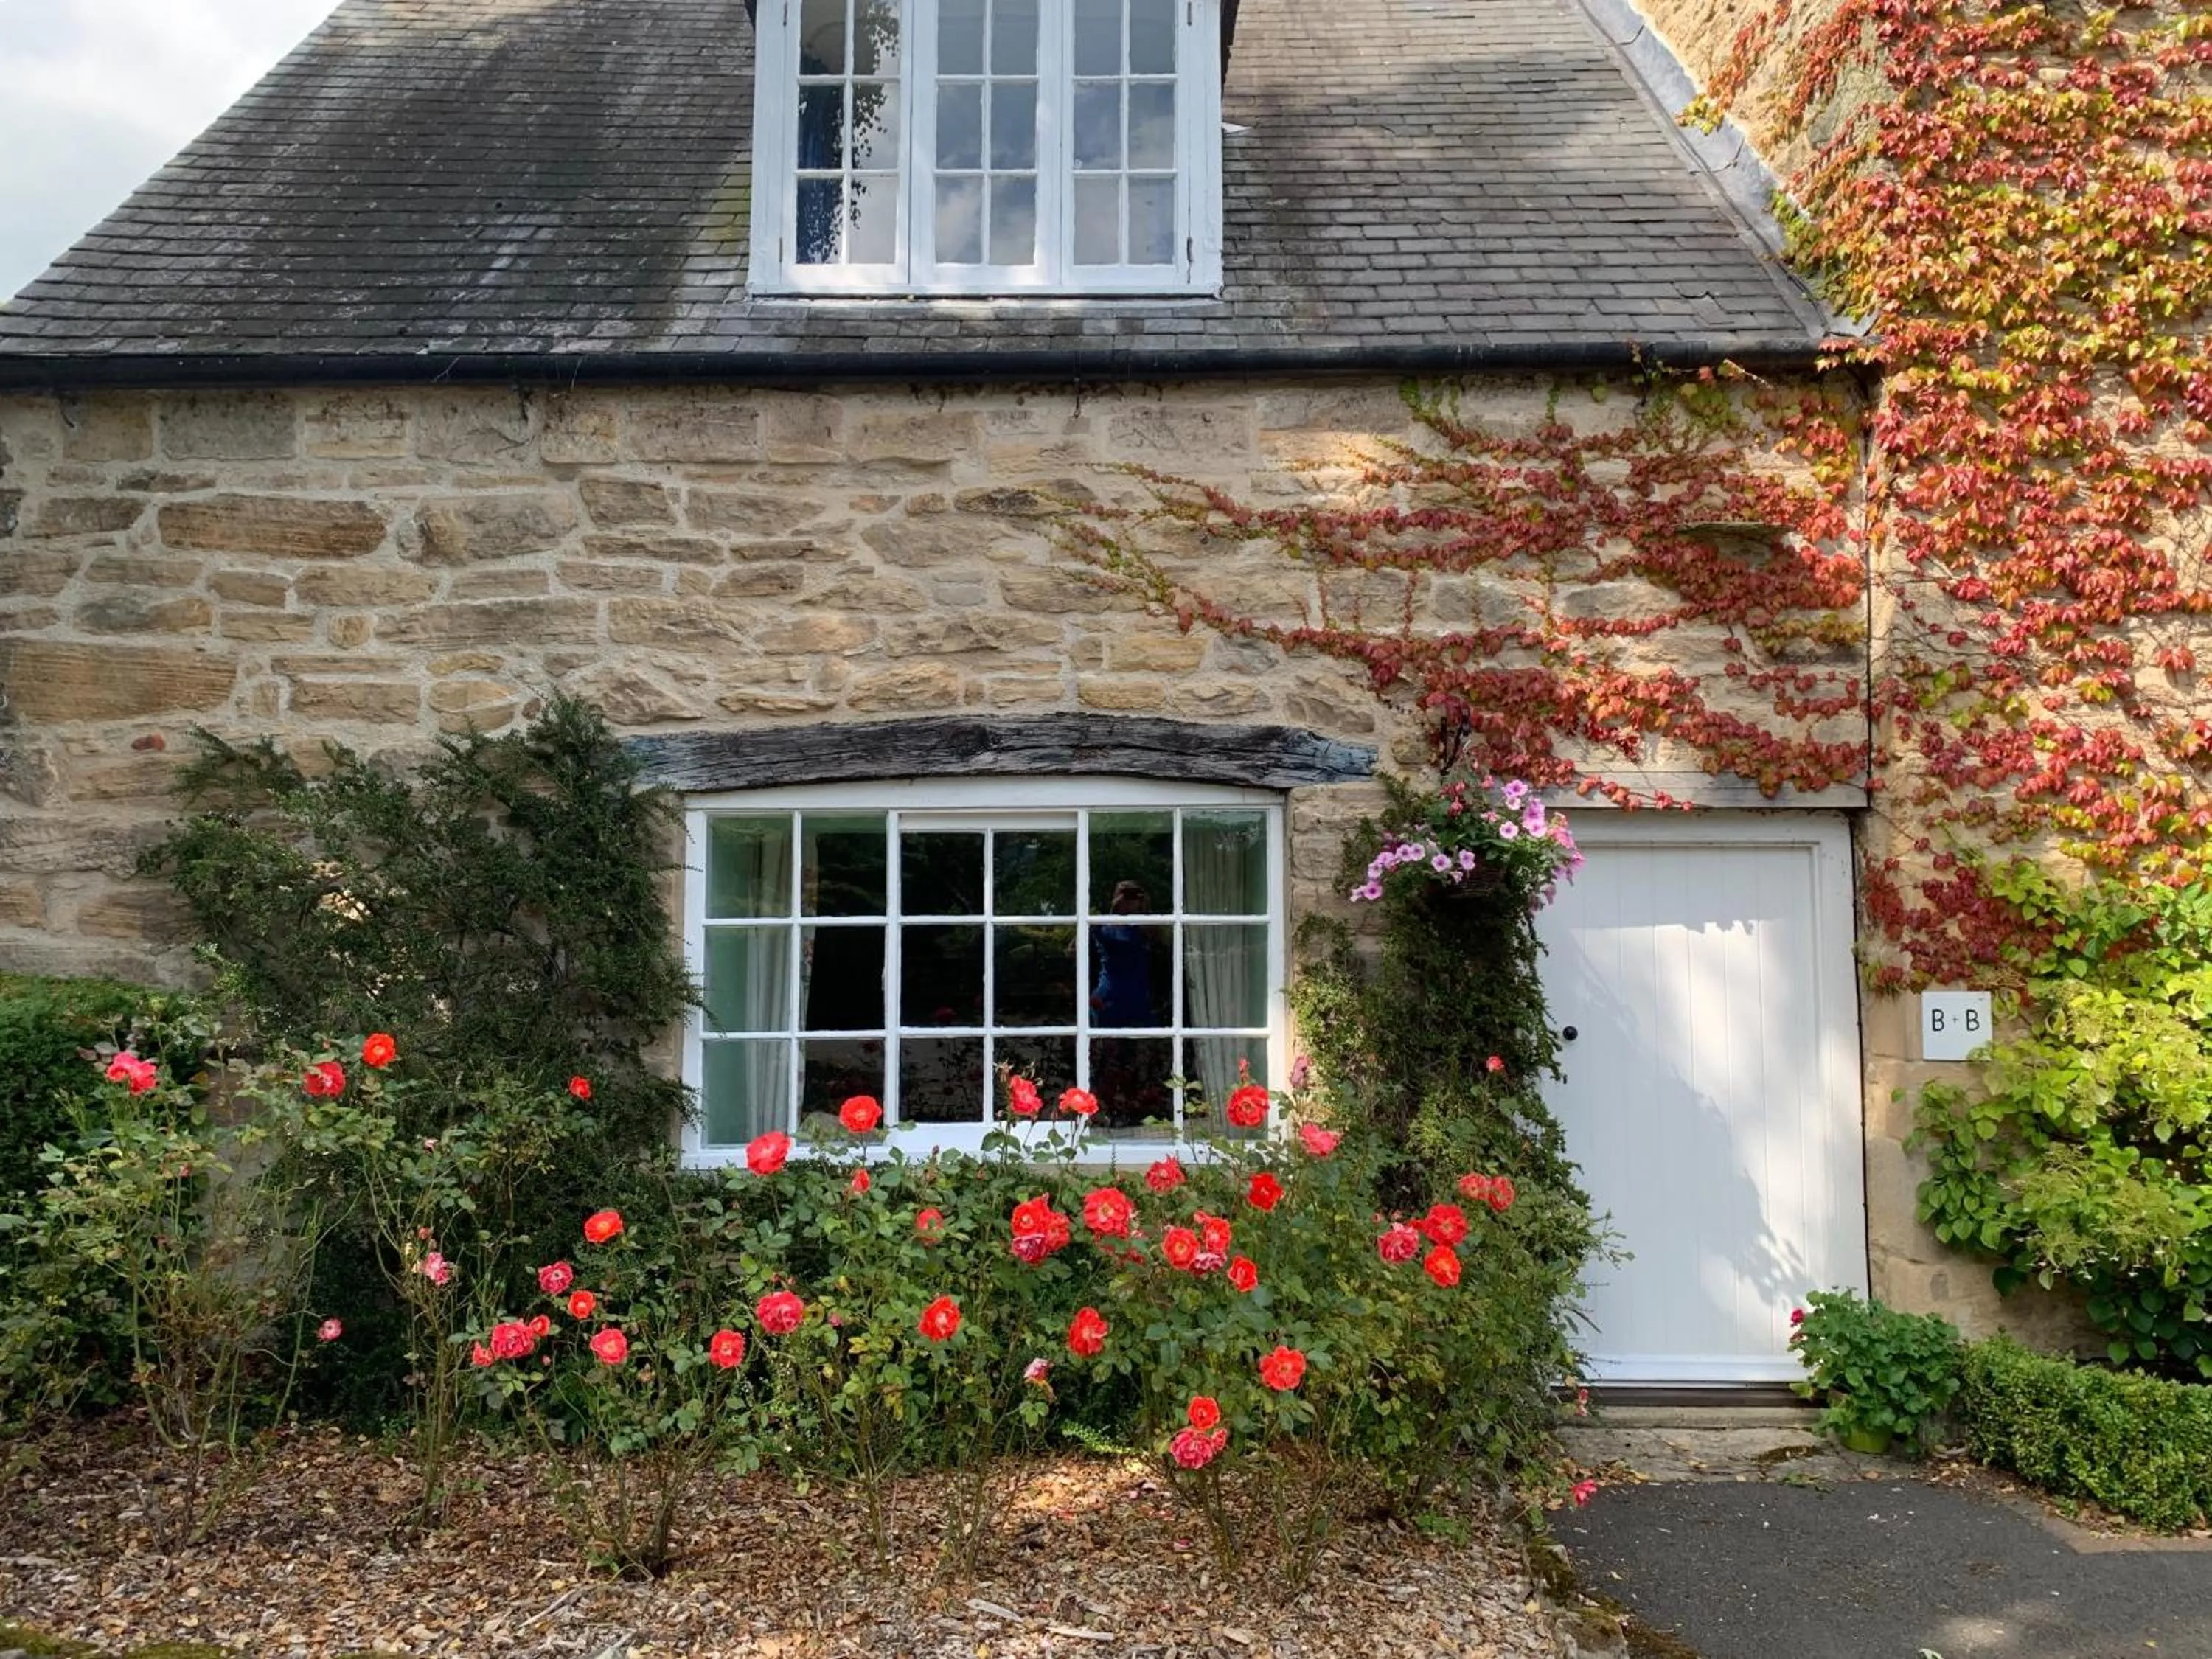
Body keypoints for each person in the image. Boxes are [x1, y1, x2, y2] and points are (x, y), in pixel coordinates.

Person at [1091, 880, 1155, 1027]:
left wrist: (1146, 909)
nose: (1130, 900)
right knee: (1108, 1044)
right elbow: (1073, 948)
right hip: (1109, 995)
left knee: (1142, 1045)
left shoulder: (1142, 927)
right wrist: (1114, 911)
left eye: (1134, 896)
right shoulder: (1101, 925)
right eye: (1127, 896)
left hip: (1137, 997)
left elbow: (1158, 937)